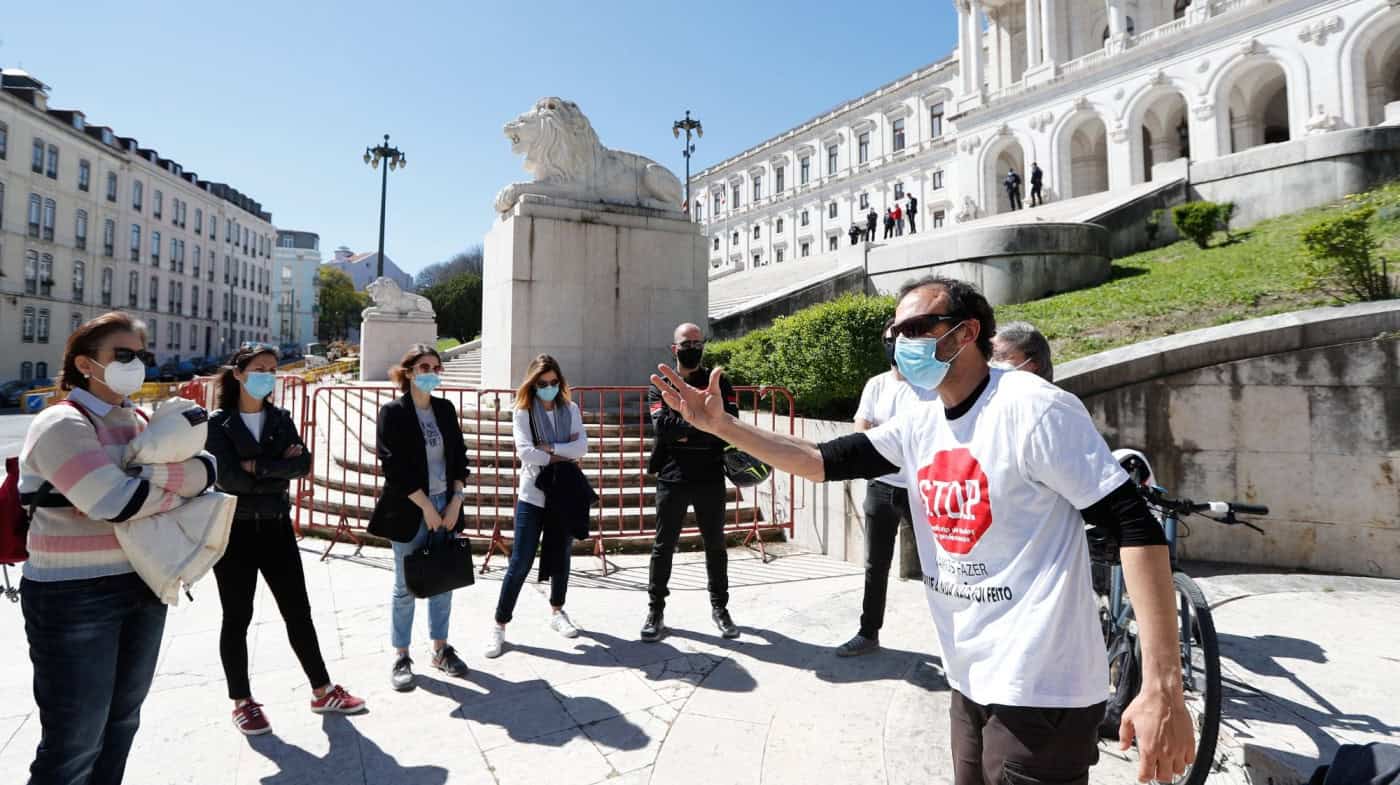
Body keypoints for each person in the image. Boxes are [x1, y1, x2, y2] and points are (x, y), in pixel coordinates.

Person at [649, 276, 1195, 785]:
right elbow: (817, 459)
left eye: (916, 328)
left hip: (1042, 688)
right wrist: (722, 426)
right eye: (895, 333)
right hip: (969, 679)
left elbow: (1133, 524)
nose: (901, 342)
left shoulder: (1036, 409)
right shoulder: (921, 421)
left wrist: (1161, 685)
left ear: (966, 332)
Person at [19, 311, 215, 785]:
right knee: (74, 742)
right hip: (73, 595)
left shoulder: (143, 419)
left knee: (122, 723)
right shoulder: (61, 422)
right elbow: (116, 501)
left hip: (143, 582)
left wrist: (153, 484)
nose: (136, 364)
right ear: (86, 364)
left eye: (141, 356)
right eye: (122, 355)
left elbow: (209, 468)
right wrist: (176, 488)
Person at [206, 345, 365, 736]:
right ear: (239, 374)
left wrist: (258, 466)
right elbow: (229, 479)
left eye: (273, 370)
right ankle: (242, 701)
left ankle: (322, 690)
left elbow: (303, 464)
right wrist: (276, 469)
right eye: (260, 369)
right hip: (235, 530)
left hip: (277, 526)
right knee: (237, 617)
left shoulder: (280, 418)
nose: (268, 376)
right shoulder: (218, 423)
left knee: (298, 612)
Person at [368, 344, 471, 691]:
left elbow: (459, 456)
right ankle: (401, 654)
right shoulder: (393, 412)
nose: (431, 373)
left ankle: (440, 649)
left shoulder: (445, 409)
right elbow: (392, 465)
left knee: (444, 577)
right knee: (405, 586)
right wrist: (426, 506)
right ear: (409, 371)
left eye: (436, 368)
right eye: (424, 366)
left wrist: (455, 499)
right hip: (410, 506)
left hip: (447, 502)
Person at [835, 320, 938, 657]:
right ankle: (868, 633)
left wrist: (886, 435)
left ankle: (953, 639)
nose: (895, 344)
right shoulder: (876, 385)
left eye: (903, 338)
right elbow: (862, 431)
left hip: (918, 489)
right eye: (890, 339)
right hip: (880, 487)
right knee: (874, 565)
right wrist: (889, 438)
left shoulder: (929, 386)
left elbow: (925, 437)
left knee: (938, 567)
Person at [642, 323, 741, 643]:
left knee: (715, 545)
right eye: (687, 342)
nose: (693, 347)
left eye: (698, 342)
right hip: (673, 475)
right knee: (663, 546)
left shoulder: (719, 381)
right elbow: (664, 428)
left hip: (710, 474)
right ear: (674, 348)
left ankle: (720, 608)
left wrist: (695, 424)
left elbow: (729, 422)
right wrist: (704, 422)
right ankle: (655, 610)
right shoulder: (661, 384)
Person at [485, 354, 589, 658]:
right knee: (520, 562)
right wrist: (563, 453)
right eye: (543, 383)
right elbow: (526, 453)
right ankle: (500, 624)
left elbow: (582, 446)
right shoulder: (523, 413)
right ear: (533, 384)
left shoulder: (570, 409)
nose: (549, 388)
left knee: (562, 555)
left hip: (564, 495)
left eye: (554, 383)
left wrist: (552, 448)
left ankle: (558, 610)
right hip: (533, 496)